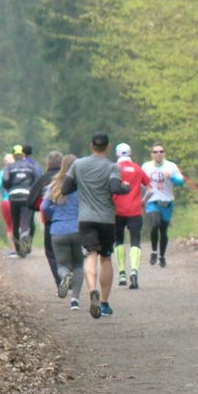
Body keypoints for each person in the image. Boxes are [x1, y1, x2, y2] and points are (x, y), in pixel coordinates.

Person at [61, 131, 130, 318]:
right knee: (106, 258)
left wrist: (82, 185)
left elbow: (65, 188)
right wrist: (126, 187)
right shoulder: (112, 167)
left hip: (86, 218)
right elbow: (115, 188)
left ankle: (92, 290)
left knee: (90, 255)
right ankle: (105, 304)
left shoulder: (78, 164)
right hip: (106, 219)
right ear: (108, 147)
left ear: (91, 146)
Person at [41, 154, 84, 310]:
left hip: (58, 230)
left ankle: (65, 277)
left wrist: (55, 216)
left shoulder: (54, 185)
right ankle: (75, 300)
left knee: (62, 264)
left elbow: (44, 207)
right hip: (78, 229)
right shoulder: (82, 186)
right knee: (78, 264)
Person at [112, 142, 151, 289]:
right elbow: (151, 189)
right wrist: (143, 201)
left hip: (117, 210)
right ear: (131, 153)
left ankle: (122, 273)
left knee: (118, 241)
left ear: (116, 154)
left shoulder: (114, 169)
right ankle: (134, 271)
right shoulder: (138, 169)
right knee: (135, 241)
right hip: (135, 210)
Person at [143, 142, 184, 267]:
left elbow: (181, 182)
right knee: (155, 224)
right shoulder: (146, 166)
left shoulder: (171, 166)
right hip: (152, 201)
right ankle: (154, 252)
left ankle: (162, 256)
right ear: (152, 154)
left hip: (167, 202)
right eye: (155, 152)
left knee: (163, 230)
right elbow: (138, 180)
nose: (158, 154)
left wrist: (171, 177)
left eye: (161, 151)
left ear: (164, 153)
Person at [28, 150, 63, 287]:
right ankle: (69, 273)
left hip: (50, 221)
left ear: (47, 163)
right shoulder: (68, 178)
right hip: (71, 222)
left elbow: (30, 201)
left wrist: (40, 208)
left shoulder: (43, 179)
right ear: (62, 163)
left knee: (51, 252)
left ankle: (60, 280)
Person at [2, 144, 41, 257]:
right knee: (26, 219)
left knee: (15, 222)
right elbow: (37, 178)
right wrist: (33, 190)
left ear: (14, 155)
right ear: (23, 154)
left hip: (14, 195)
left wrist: (9, 188)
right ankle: (24, 233)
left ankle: (18, 249)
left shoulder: (10, 167)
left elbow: (5, 179)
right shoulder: (31, 166)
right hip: (27, 195)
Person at [0, 153, 17, 257]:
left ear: (4, 162)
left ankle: (13, 250)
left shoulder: (0, 173)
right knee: (20, 224)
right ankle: (21, 246)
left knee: (9, 226)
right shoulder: (18, 172)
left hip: (6, 201)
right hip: (18, 200)